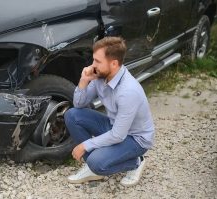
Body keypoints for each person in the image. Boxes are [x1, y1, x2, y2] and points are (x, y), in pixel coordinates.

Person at [64, 37, 155, 186]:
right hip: (114, 126)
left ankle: (136, 162)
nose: (92, 65)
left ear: (113, 64)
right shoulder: (101, 76)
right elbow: (79, 104)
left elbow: (118, 135)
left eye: (97, 61)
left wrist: (85, 145)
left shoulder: (128, 91)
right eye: (93, 60)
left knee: (96, 162)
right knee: (72, 115)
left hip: (135, 139)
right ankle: (95, 166)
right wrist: (83, 80)